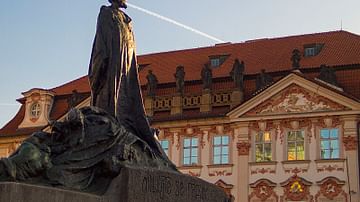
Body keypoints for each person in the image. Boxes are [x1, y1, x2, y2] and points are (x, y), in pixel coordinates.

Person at [88, 0, 161, 155]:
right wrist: (98, 71)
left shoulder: (127, 22)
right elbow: (101, 46)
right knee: (110, 112)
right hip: (112, 74)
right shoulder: (107, 14)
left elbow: (103, 50)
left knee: (119, 110)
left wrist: (96, 73)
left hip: (122, 74)